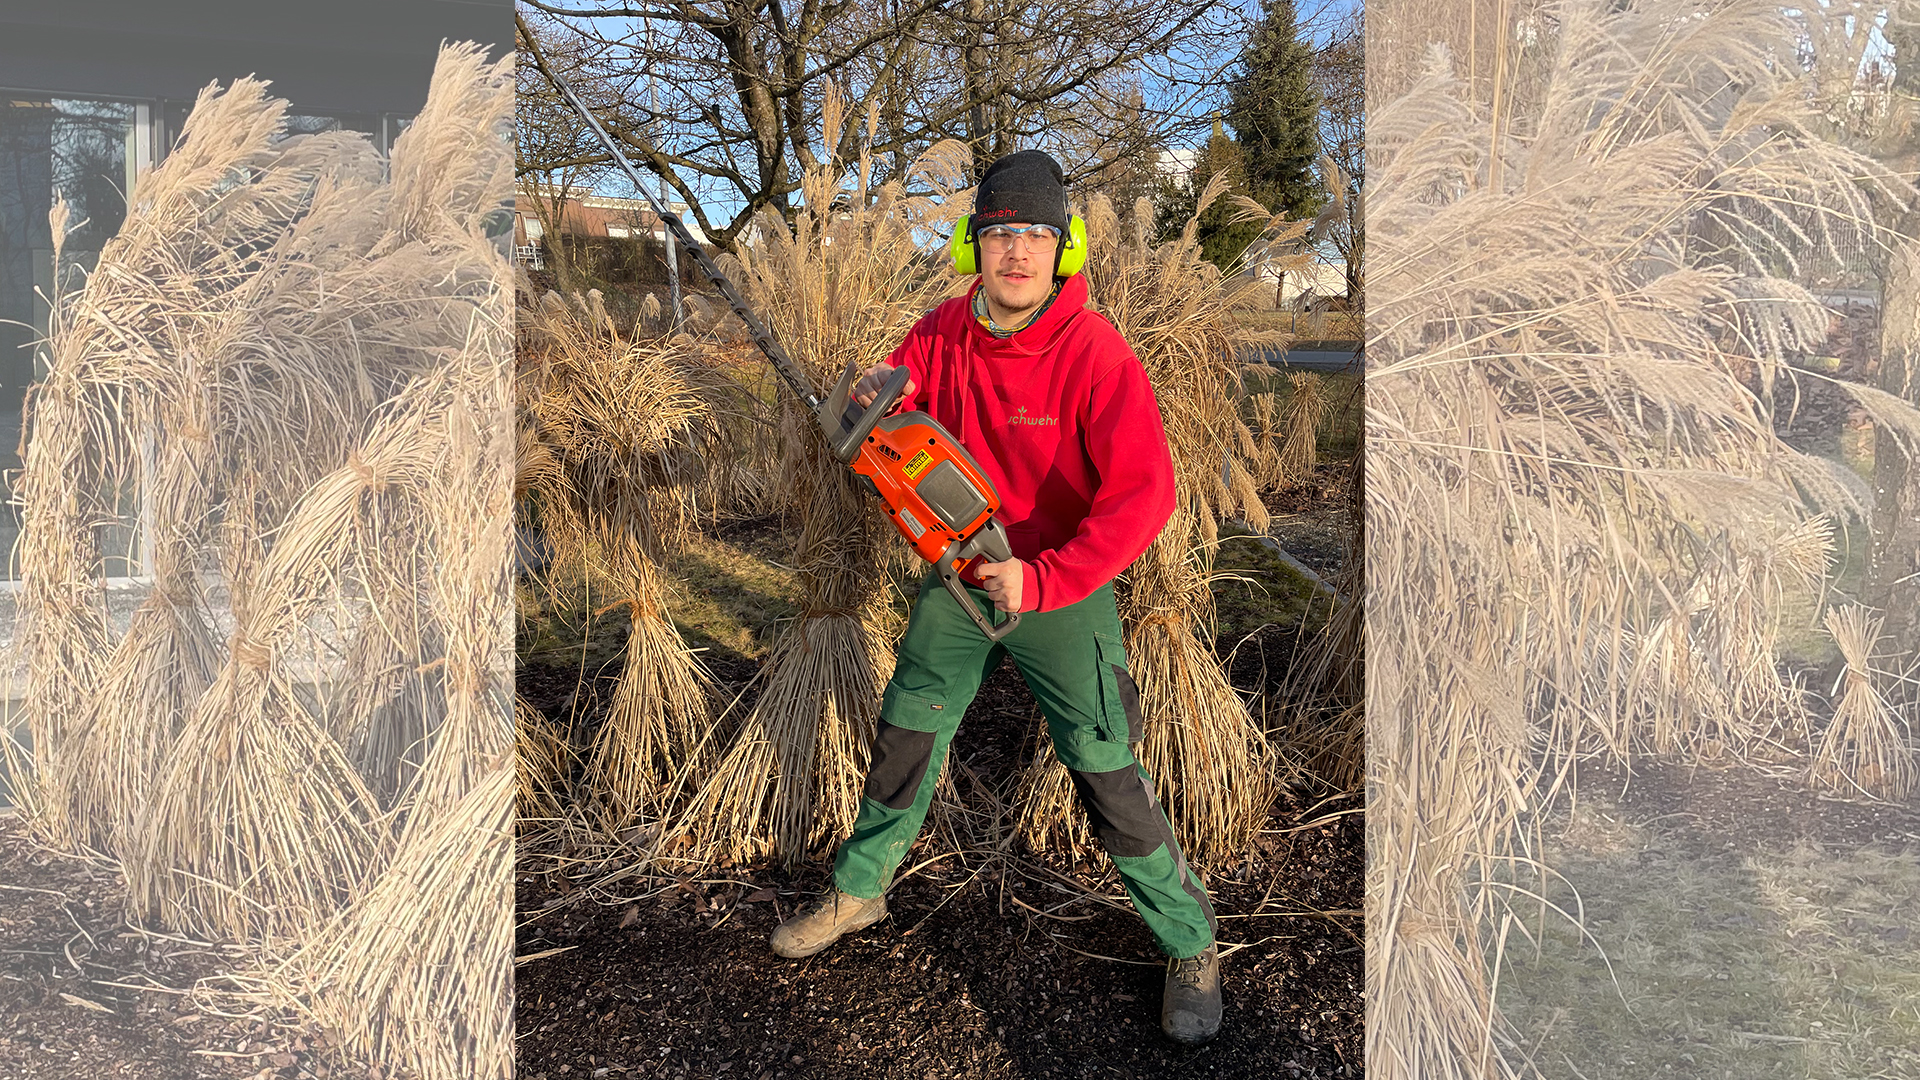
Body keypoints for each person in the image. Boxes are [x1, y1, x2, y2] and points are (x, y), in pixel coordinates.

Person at [767, 150, 1223, 1044]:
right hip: (961, 577)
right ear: (977, 246)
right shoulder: (941, 330)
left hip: (1061, 583)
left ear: (1065, 248)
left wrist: (1047, 578)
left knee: (1103, 768)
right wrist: (871, 405)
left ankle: (1191, 940)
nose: (1018, 252)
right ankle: (860, 893)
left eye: (1038, 235)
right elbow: (896, 399)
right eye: (1001, 233)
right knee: (907, 729)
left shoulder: (1096, 354)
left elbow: (1145, 496)